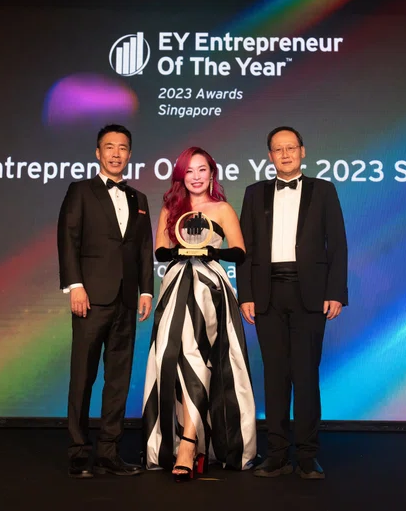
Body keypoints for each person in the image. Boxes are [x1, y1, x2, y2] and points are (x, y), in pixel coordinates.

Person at [236, 126, 348, 480]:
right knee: (275, 376)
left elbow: (338, 244)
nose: (284, 154)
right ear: (269, 156)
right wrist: (247, 295)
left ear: (303, 151)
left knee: (305, 375)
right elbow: (246, 250)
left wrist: (336, 292)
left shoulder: (323, 190)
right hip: (267, 294)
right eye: (277, 149)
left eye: (290, 148)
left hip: (310, 293)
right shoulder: (255, 194)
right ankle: (277, 454)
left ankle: (307, 455)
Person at [141, 146, 257, 482]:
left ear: (211, 173)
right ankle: (187, 441)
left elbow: (239, 252)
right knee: (170, 359)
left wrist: (210, 250)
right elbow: (161, 251)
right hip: (176, 286)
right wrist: (183, 249)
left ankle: (189, 445)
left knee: (201, 359)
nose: (196, 176)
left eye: (202, 169)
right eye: (189, 171)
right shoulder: (170, 207)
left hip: (211, 289)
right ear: (181, 175)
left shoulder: (221, 208)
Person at [56, 124, 154, 478]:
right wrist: (75, 286)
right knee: (83, 375)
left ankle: (109, 452)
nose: (116, 153)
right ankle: (79, 451)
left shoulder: (139, 199)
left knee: (118, 379)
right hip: (91, 297)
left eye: (122, 147)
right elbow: (68, 239)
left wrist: (146, 290)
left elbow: (143, 249)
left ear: (129, 154)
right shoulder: (80, 191)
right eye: (109, 147)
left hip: (127, 300)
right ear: (98, 153)